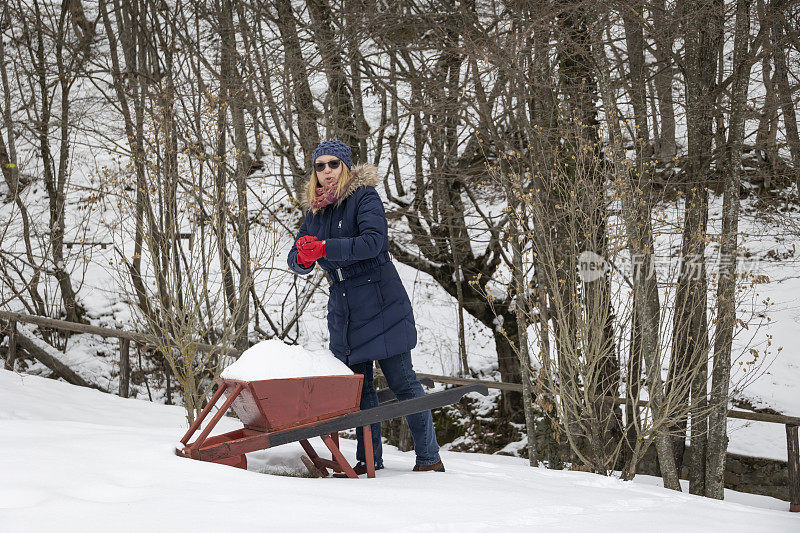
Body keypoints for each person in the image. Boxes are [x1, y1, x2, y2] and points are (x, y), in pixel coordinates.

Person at [287, 140, 443, 474]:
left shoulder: (364, 196)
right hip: (344, 306)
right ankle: (367, 462)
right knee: (360, 391)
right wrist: (302, 256)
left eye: (333, 164)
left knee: (403, 382)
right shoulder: (315, 209)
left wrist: (325, 248)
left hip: (380, 298)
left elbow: (374, 243)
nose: (326, 171)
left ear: (345, 166)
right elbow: (297, 255)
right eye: (320, 165)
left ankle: (429, 459)